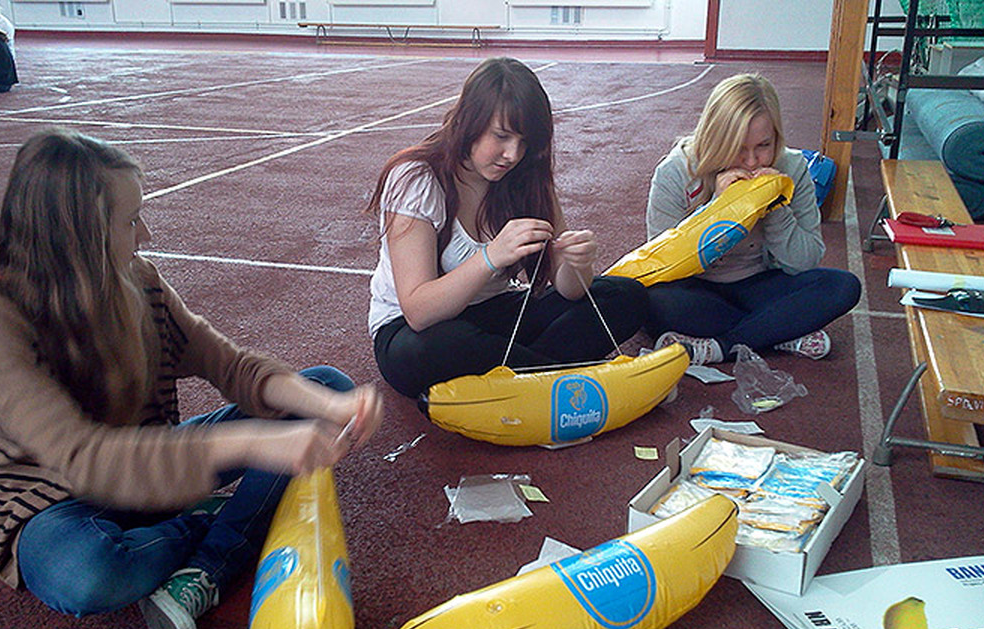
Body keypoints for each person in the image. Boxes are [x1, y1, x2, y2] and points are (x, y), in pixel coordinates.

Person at [0, 129, 383, 629]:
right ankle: (213, 532)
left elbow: (228, 363)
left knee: (325, 384)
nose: (146, 234)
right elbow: (82, 458)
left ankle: (200, 562)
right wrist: (254, 445)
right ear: (77, 233)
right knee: (87, 574)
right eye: (131, 220)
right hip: (59, 505)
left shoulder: (137, 279)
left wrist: (332, 406)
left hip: (154, 467)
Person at [367, 57, 647, 399]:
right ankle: (569, 381)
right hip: (416, 331)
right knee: (436, 348)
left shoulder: (527, 177)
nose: (512, 154)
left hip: (495, 315)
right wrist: (491, 256)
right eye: (501, 136)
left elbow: (569, 291)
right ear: (470, 121)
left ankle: (522, 381)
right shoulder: (416, 178)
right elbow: (419, 312)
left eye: (524, 142)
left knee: (624, 296)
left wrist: (578, 263)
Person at [643, 73, 861, 365]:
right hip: (697, 288)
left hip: (760, 283)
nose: (751, 161)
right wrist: (718, 211)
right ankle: (776, 331)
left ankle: (721, 346)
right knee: (652, 300)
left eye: (763, 146)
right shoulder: (676, 172)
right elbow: (662, 264)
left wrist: (776, 209)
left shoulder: (792, 168)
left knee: (843, 287)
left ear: (777, 138)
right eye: (738, 148)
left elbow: (805, 262)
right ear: (714, 139)